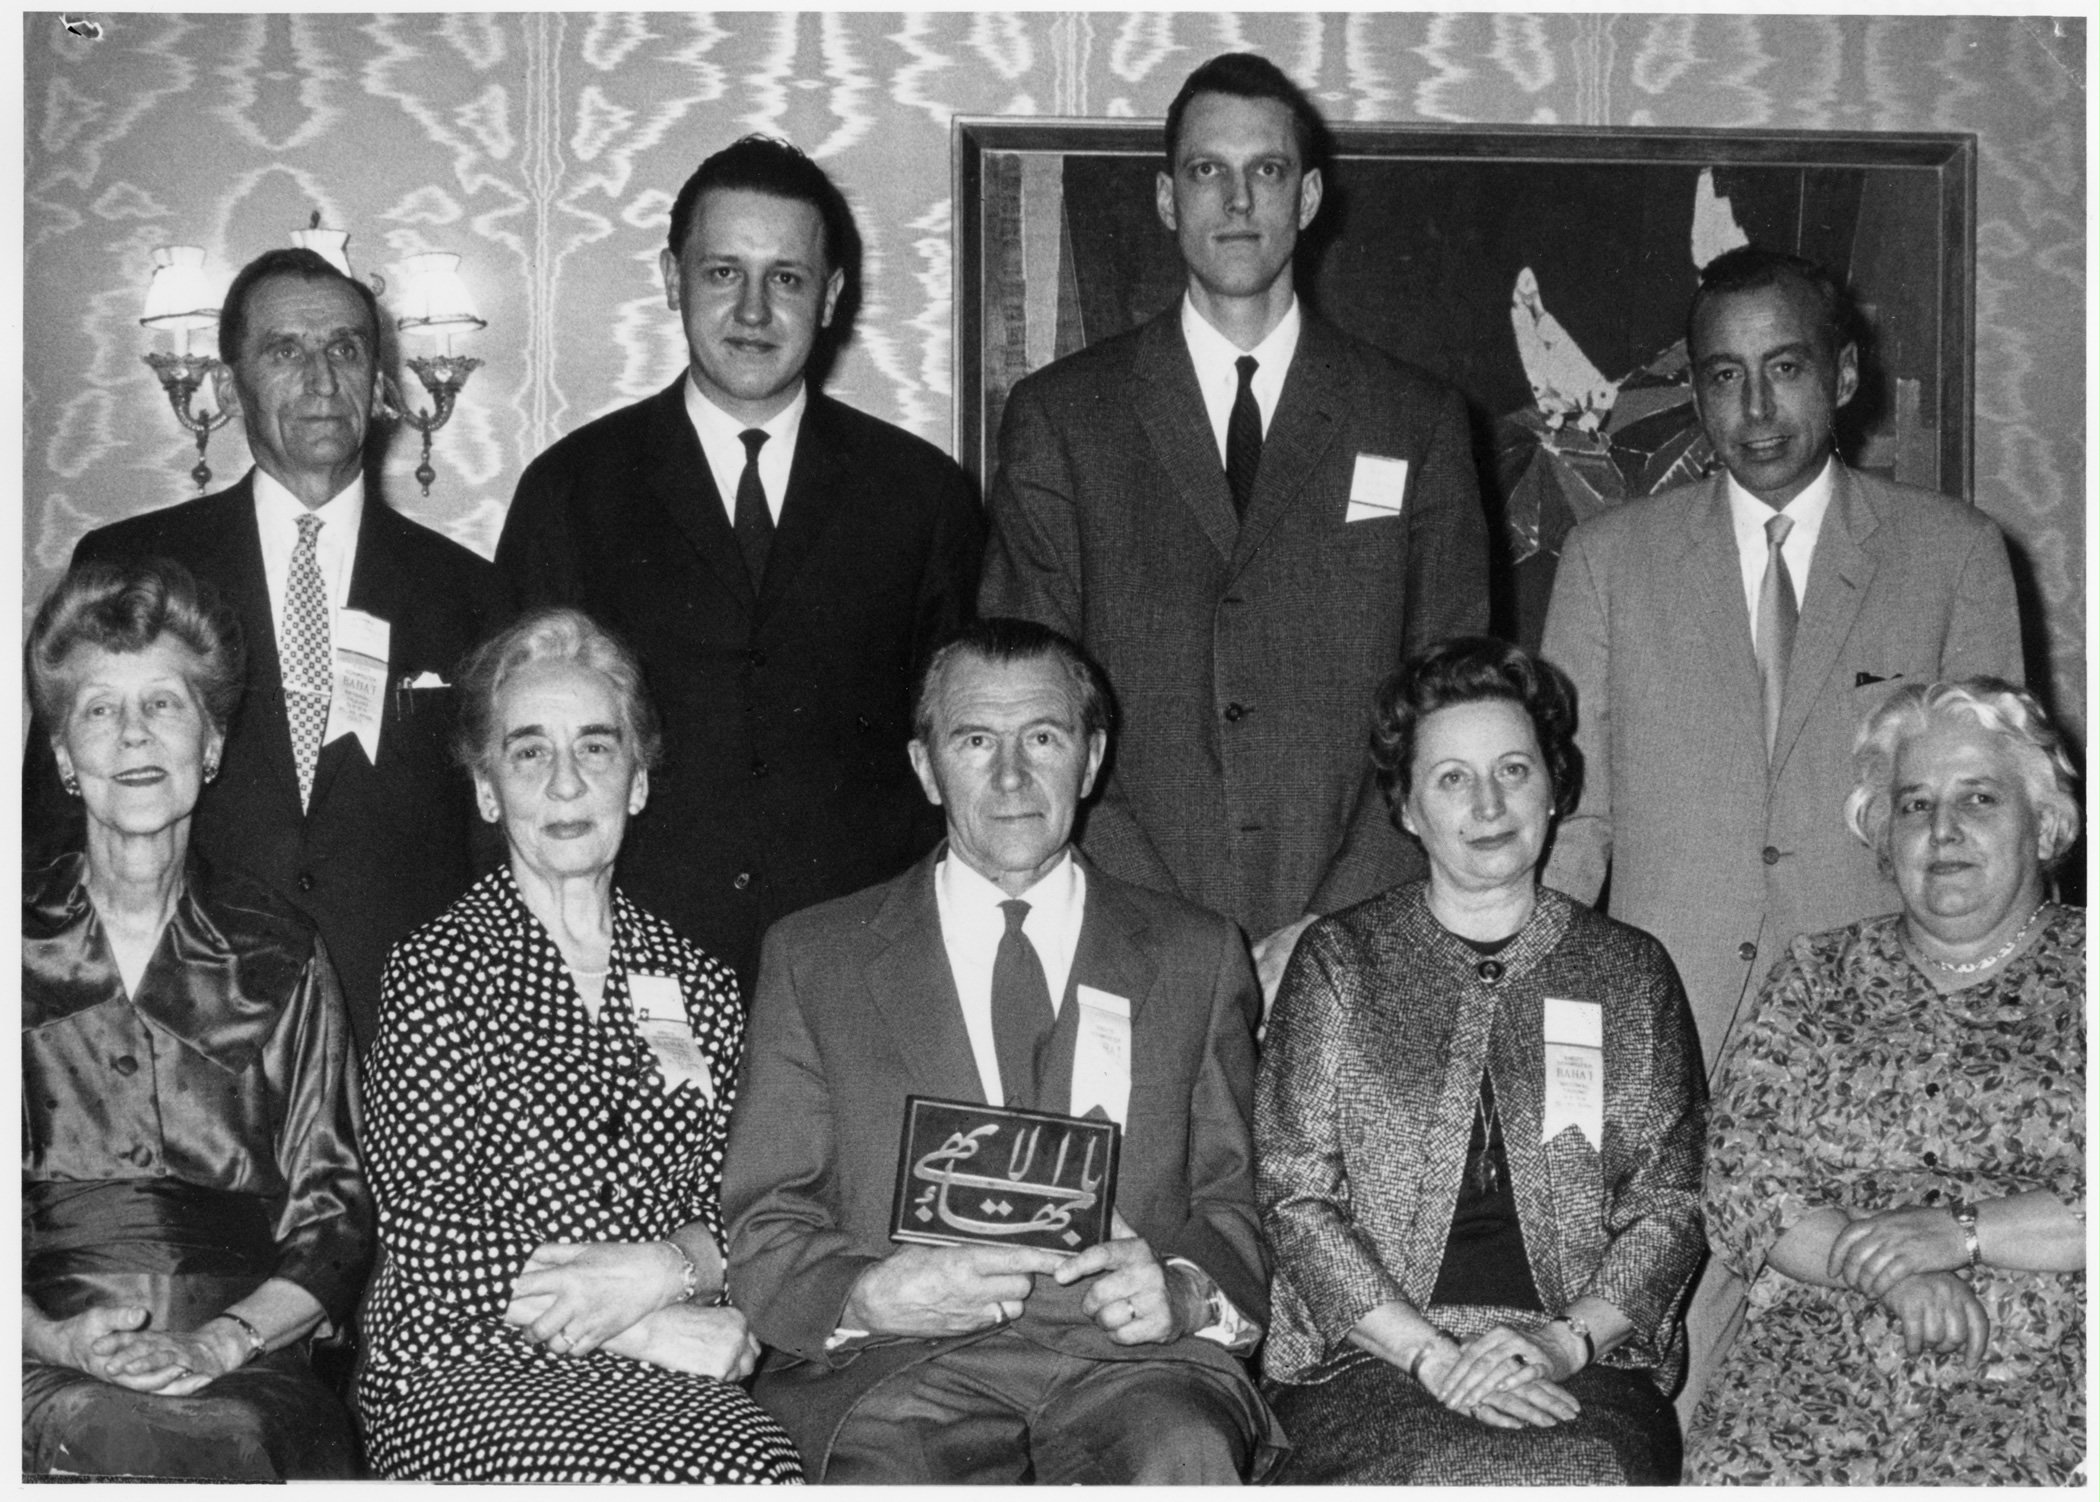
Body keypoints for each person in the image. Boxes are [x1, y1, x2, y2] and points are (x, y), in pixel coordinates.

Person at [1539, 244, 2025, 1415]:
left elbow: (1996, 830)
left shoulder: (1955, 553)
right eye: (1721, 377)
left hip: (1879, 1041)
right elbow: (1572, 820)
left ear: (1844, 372)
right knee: (1657, 1369)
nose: (1754, 410)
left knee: (1874, 1360)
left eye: (1786, 368)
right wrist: (1531, 1018)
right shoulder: (1610, 561)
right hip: (1667, 1026)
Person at [722, 617, 1283, 1483]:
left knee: (1184, 1453)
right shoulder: (815, 958)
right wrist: (868, 1294)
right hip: (898, 1371)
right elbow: (766, 1220)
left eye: (1044, 738)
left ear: (1091, 761)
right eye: (976, 739)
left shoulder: (1195, 955)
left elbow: (1237, 1204)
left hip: (1134, 1373)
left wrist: (1182, 1291)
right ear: (925, 767)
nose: (1013, 775)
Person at [980, 53, 1488, 1007]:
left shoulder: (1414, 420)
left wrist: (1340, 923)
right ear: (1169, 199)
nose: (1239, 199)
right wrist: (1171, 927)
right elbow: (1030, 705)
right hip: (1124, 937)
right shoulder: (1064, 419)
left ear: (1309, 197)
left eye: (1268, 170)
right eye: (1209, 170)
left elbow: (1450, 702)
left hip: (1365, 941)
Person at [498, 134, 983, 994]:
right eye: (723, 273)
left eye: (786, 279)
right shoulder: (572, 490)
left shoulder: (922, 497)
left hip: (862, 975)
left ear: (831, 296)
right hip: (623, 967)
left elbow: (956, 756)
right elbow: (507, 752)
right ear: (670, 278)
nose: (753, 311)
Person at [354, 608, 802, 1482]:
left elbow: (740, 1203)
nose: (566, 784)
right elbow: (431, 1231)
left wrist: (671, 1272)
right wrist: (637, 1322)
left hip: (669, 1360)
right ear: (488, 790)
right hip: (464, 1363)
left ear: (637, 781)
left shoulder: (698, 981)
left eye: (596, 748)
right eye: (529, 752)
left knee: (757, 1464)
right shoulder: (436, 969)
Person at [31, 247, 514, 1052]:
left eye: (346, 349)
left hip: (410, 1040)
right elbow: (54, 829)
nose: (322, 378)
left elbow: (494, 847)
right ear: (226, 385)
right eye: (285, 350)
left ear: (382, 382)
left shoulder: (468, 592)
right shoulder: (134, 565)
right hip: (185, 1038)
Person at [1257, 636, 1704, 1484]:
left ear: (1554, 786)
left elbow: (1674, 1204)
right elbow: (1294, 1199)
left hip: (1582, 1363)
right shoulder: (1340, 961)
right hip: (1371, 1361)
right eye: (1453, 778)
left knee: (1579, 1472)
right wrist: (1434, 1359)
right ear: (1408, 808)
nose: (1489, 803)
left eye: (1513, 769)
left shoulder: (1630, 970)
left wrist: (1565, 1341)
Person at [23, 560, 372, 1480]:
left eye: (166, 705)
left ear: (211, 743)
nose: (134, 734)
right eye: (99, 709)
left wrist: (217, 1345)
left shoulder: (283, 952)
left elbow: (334, 1220)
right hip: (31, 1356)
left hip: (243, 1366)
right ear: (63, 754)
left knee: (227, 1443)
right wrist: (57, 1343)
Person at [1687, 678, 2083, 1484]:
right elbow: (1739, 1178)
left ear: (2043, 826)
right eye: (1914, 805)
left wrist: (1960, 1232)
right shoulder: (1817, 974)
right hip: (1814, 1351)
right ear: (1881, 835)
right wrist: (1893, 1273)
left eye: (1979, 798)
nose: (1943, 829)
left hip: (2042, 1360)